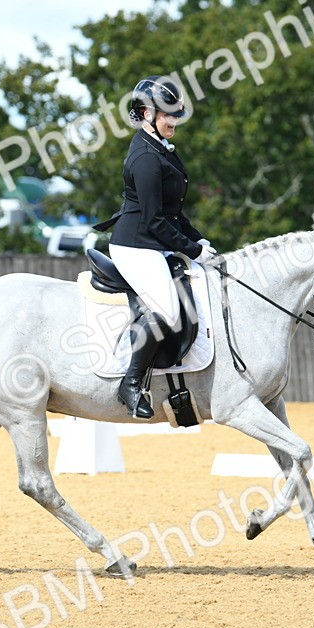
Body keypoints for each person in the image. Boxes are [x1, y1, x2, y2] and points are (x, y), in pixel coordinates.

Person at [97, 75, 217, 419]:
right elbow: (154, 220)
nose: (174, 122)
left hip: (157, 240)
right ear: (147, 112)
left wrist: (198, 239)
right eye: (168, 115)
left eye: (177, 115)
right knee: (166, 310)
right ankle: (131, 383)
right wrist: (192, 251)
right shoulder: (145, 159)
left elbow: (173, 212)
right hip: (137, 246)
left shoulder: (161, 148)